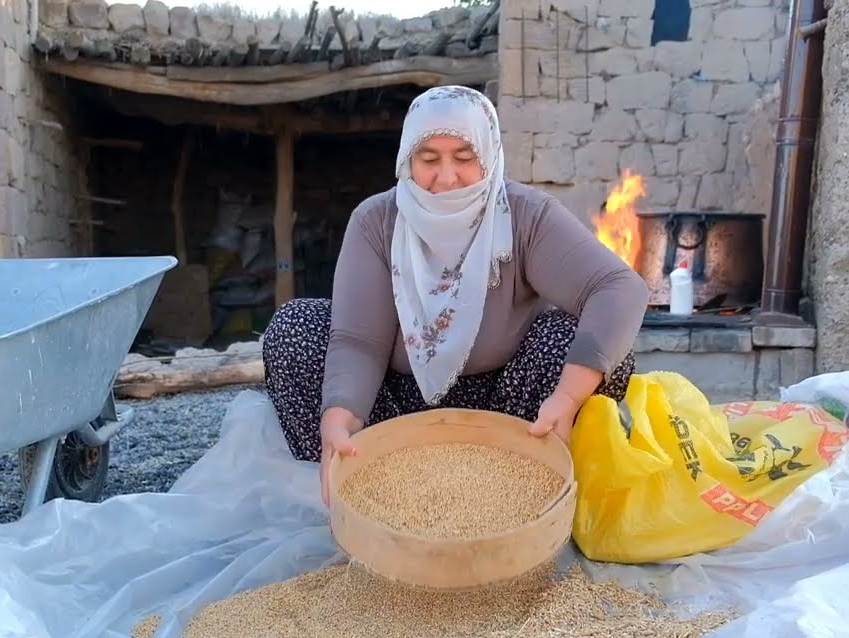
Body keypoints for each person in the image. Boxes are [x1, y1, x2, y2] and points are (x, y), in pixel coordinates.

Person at [262, 85, 650, 504]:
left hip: (506, 411)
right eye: (428, 159)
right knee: (295, 328)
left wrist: (566, 399)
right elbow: (358, 341)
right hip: (392, 411)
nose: (446, 178)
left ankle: (516, 492)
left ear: (490, 154)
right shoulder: (377, 222)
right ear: (406, 159)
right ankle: (367, 488)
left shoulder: (525, 215)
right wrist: (339, 420)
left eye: (465, 158)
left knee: (585, 347)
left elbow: (617, 287)